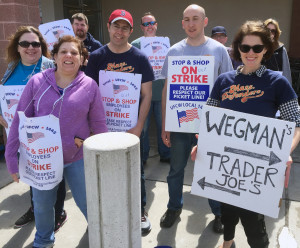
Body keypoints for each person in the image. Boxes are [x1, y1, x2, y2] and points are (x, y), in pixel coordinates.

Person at [191, 20, 300, 248]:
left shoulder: (277, 82)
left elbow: (295, 123)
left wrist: (284, 151)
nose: (250, 53)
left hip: (256, 170)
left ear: (266, 50)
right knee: (227, 210)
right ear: (237, 48)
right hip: (226, 165)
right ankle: (228, 242)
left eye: (257, 48)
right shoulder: (224, 81)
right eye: (245, 47)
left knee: (253, 223)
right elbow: (210, 119)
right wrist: (202, 144)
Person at [5, 35, 107, 248]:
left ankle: (101, 234)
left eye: (74, 52)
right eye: (63, 52)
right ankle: (43, 241)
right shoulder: (37, 82)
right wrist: (11, 158)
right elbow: (19, 120)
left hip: (76, 156)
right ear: (55, 56)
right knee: (42, 206)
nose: (69, 55)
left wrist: (103, 159)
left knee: (89, 203)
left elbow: (98, 124)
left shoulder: (89, 85)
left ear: (82, 59)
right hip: (42, 160)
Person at [160, 4, 233, 232]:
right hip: (181, 122)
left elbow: (228, 88)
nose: (191, 24)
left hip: (210, 124)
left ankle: (219, 213)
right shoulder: (174, 51)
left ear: (205, 21)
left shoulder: (219, 50)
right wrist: (165, 124)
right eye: (187, 19)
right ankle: (174, 207)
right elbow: (167, 89)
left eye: (195, 19)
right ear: (182, 23)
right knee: (176, 170)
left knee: (211, 171)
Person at [85, 9, 153, 236]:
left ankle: (139, 210)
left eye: (125, 27)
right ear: (109, 27)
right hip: (103, 127)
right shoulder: (97, 57)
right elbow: (89, 94)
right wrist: (94, 125)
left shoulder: (140, 58)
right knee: (103, 169)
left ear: (131, 31)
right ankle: (106, 211)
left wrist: (139, 126)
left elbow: (147, 95)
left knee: (137, 171)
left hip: (132, 126)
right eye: (116, 26)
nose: (120, 31)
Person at [0, 26, 67, 232]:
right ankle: (36, 208)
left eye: (36, 44)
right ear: (17, 47)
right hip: (19, 133)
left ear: (42, 46)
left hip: (46, 134)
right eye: (25, 44)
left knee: (54, 174)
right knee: (31, 172)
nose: (31, 48)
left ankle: (58, 212)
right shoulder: (11, 67)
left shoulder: (50, 67)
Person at [131, 12, 170, 164]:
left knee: (163, 125)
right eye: (146, 24)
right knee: (144, 128)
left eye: (152, 23)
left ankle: (166, 154)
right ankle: (143, 157)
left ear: (156, 25)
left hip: (161, 93)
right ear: (142, 27)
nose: (150, 26)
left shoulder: (165, 43)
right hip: (142, 95)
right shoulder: (135, 44)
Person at [263, 18, 292, 84]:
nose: (270, 33)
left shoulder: (281, 49)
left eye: (273, 31)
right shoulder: (256, 48)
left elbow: (286, 72)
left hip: (275, 86)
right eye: (267, 30)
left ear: (276, 33)